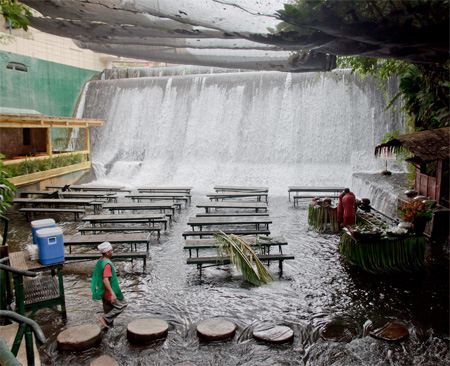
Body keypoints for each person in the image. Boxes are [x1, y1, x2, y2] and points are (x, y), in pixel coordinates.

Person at [91, 242, 127, 328]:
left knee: (109, 314)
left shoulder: (101, 260)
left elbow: (103, 275)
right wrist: (112, 293)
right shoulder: (107, 264)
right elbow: (105, 279)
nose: (112, 252)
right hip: (108, 293)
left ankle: (108, 332)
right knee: (122, 305)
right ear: (107, 252)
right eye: (111, 251)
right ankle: (105, 319)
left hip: (103, 292)